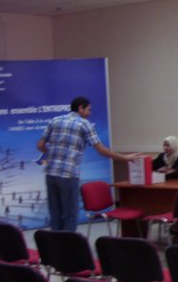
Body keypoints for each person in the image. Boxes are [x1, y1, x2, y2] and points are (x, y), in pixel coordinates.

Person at [37, 96, 139, 232]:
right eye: (88, 110)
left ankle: (54, 244)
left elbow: (40, 145)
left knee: (55, 214)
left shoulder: (55, 120)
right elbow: (102, 150)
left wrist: (52, 155)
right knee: (70, 214)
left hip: (50, 174)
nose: (90, 113)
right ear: (80, 108)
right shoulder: (84, 124)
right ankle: (67, 244)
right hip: (68, 175)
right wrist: (124, 158)